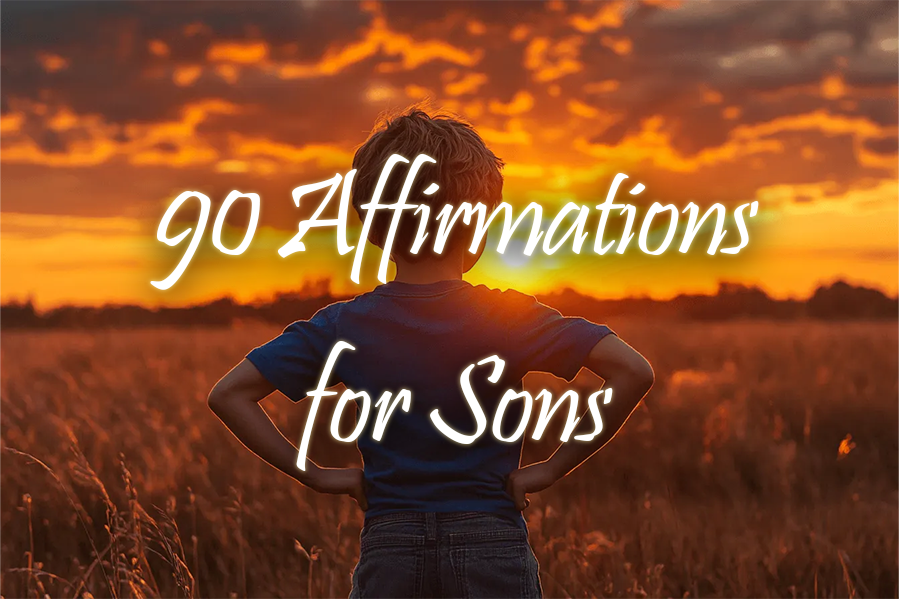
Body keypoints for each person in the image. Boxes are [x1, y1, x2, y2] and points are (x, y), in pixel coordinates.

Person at [207, 108, 654, 598]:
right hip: (492, 541)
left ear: (375, 228)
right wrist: (549, 468)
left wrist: (315, 475)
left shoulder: (343, 325)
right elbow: (632, 371)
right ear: (478, 222)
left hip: (390, 544)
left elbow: (230, 394)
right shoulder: (509, 317)